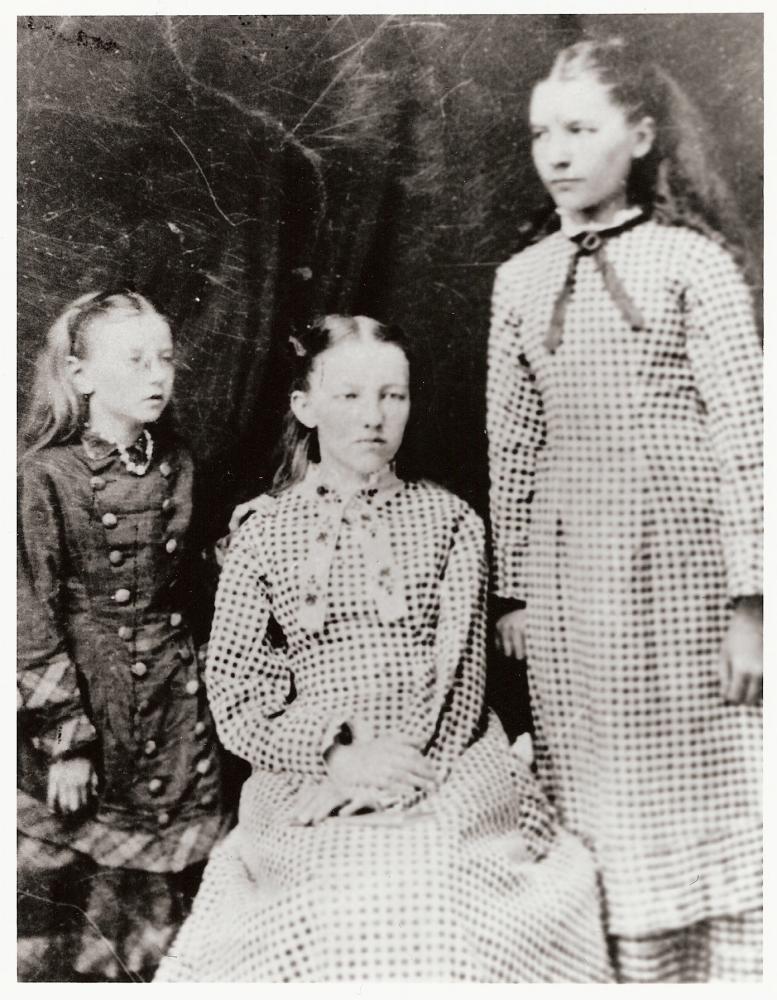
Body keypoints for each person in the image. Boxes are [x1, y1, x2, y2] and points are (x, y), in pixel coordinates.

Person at [155, 314, 613, 982]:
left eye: (390, 396)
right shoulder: (263, 533)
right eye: (349, 396)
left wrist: (389, 773)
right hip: (309, 766)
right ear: (305, 407)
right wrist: (334, 758)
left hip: (443, 762)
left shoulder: (451, 521)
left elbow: (457, 677)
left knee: (429, 882)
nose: (373, 417)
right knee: (320, 900)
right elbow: (234, 688)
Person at [487, 36, 762, 983]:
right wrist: (514, 593)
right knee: (596, 775)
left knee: (699, 767)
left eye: (579, 128)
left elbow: (748, 440)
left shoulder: (694, 266)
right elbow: (513, 445)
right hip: (572, 579)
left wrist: (751, 604)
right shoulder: (519, 282)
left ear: (639, 135)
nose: (555, 152)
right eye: (540, 134)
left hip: (685, 571)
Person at [17, 290, 229, 981]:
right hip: (88, 707)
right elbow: (24, 620)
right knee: (70, 886)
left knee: (165, 913)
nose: (156, 375)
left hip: (169, 700)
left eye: (164, 358)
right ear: (79, 376)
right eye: (134, 361)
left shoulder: (175, 462)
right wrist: (65, 741)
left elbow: (191, 576)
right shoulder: (43, 477)